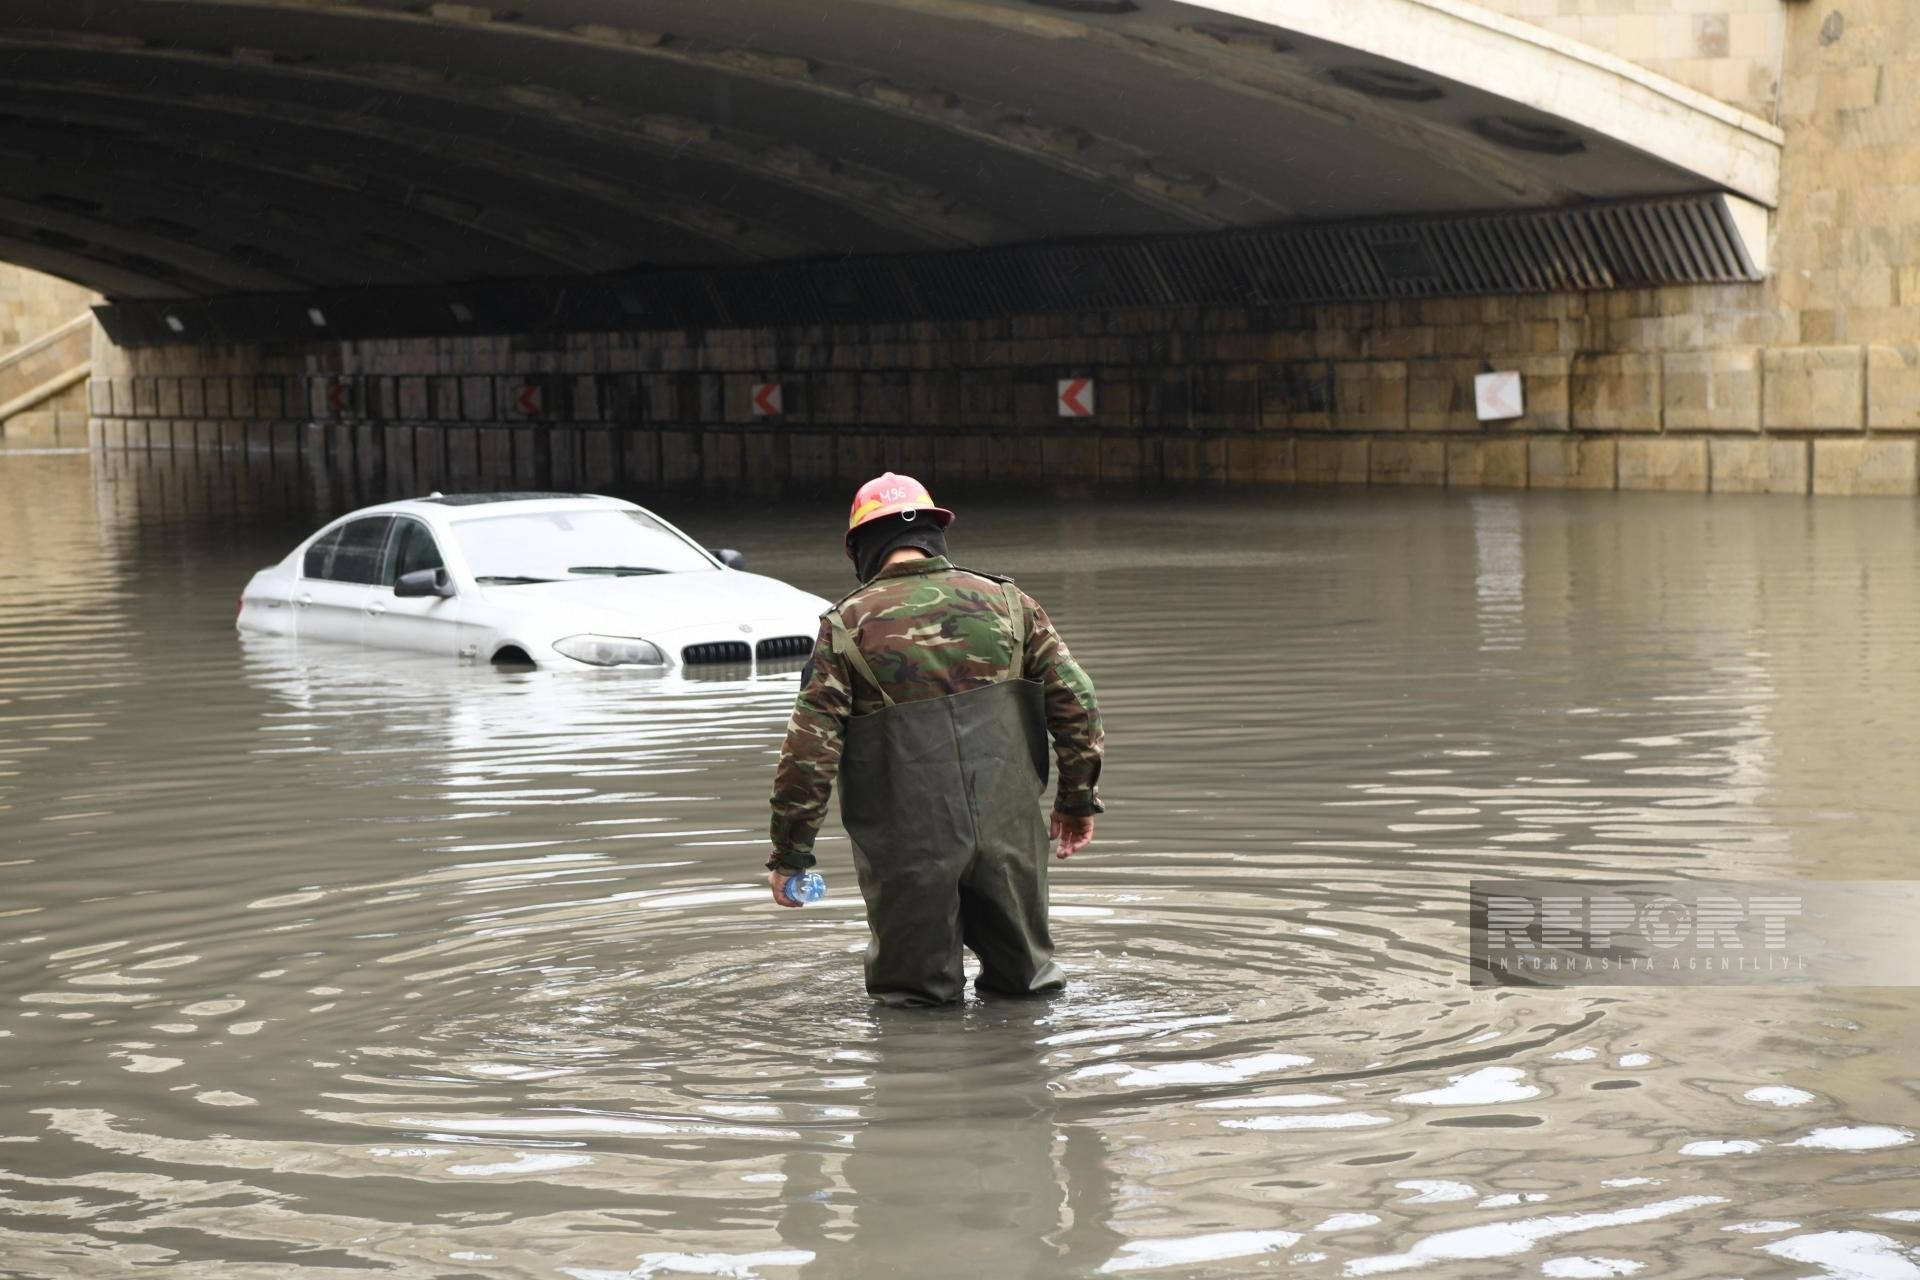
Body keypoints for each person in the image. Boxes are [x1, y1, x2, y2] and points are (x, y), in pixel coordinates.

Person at [766, 473, 1104, 1006]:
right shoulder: (1012, 606)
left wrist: (792, 852)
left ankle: (922, 1084)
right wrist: (1077, 800)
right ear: (934, 534)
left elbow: (809, 753)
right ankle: (1027, 1084)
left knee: (914, 1002)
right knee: (1029, 988)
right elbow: (1077, 706)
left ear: (860, 547)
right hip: (1009, 831)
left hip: (907, 847)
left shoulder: (847, 626)